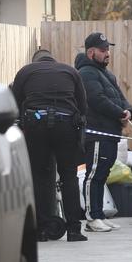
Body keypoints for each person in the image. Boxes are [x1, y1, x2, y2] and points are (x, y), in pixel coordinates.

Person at [10, 47, 88, 242]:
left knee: (38, 176)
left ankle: (41, 229)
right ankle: (74, 230)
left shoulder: (25, 71)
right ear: (53, 60)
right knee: (69, 176)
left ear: (35, 61)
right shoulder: (70, 71)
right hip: (66, 126)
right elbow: (83, 106)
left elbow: (13, 103)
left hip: (36, 126)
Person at [75, 32, 132, 232]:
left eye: (108, 49)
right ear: (91, 52)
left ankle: (100, 214)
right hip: (97, 133)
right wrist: (120, 113)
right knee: (94, 174)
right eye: (103, 50)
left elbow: (120, 96)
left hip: (110, 132)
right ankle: (92, 218)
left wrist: (129, 111)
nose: (107, 53)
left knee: (103, 174)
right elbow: (97, 99)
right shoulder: (86, 73)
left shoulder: (106, 73)